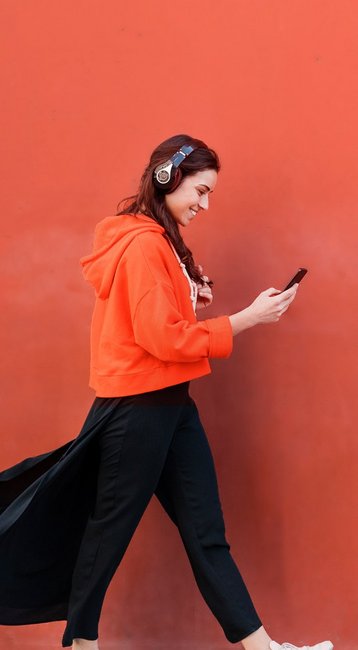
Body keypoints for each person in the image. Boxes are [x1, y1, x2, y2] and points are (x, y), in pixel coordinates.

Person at [0, 134, 333, 650]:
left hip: (172, 404)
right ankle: (81, 645)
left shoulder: (160, 242)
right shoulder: (143, 246)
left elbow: (158, 325)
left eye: (210, 194)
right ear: (166, 177)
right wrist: (247, 318)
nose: (205, 205)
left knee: (205, 533)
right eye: (200, 191)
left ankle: (263, 648)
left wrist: (189, 292)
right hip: (139, 409)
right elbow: (163, 339)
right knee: (107, 534)